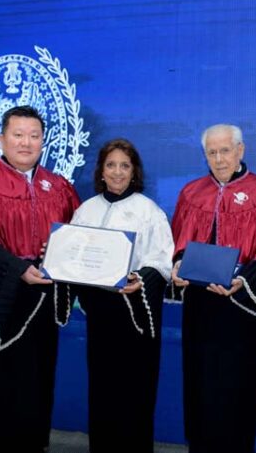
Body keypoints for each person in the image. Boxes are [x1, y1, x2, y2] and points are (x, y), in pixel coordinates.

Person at [0, 105, 80, 453]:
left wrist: (61, 251)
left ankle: (34, 444)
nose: (26, 142)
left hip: (42, 301)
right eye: (18, 134)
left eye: (34, 136)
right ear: (1, 139)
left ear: (43, 141)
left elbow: (78, 239)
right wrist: (17, 268)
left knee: (37, 376)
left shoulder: (60, 187)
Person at [171, 124, 256, 453]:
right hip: (199, 306)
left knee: (238, 386)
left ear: (241, 150)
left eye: (225, 150)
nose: (219, 158)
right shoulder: (191, 194)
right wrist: (178, 263)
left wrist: (244, 280)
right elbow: (178, 243)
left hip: (243, 308)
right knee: (198, 382)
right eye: (211, 152)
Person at [68, 138, 174, 453]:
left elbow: (163, 261)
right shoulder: (86, 210)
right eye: (111, 165)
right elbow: (71, 256)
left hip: (135, 315)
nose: (117, 172)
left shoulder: (149, 211)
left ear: (134, 171)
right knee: (102, 386)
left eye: (124, 166)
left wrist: (141, 279)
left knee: (135, 389)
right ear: (101, 171)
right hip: (100, 315)